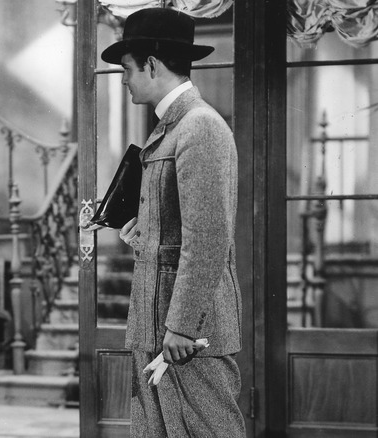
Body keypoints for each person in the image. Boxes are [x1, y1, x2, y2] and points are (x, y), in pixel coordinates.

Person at [98, 8, 245, 437]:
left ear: (152, 65)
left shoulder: (199, 126)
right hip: (158, 321)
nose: (124, 79)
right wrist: (143, 231)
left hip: (185, 332)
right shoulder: (171, 126)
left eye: (127, 69)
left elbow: (208, 238)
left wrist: (182, 325)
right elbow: (181, 225)